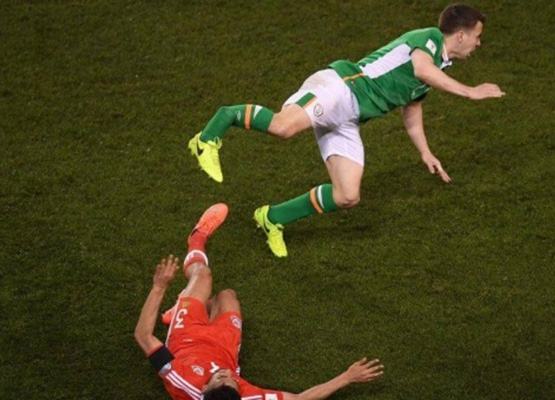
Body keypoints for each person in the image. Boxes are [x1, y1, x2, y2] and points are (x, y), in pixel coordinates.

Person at [189, 4, 505, 258]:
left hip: (348, 118)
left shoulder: (439, 66)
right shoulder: (430, 38)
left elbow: (411, 109)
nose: (479, 43)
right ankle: (210, 135)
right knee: (283, 127)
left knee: (348, 195)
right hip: (339, 89)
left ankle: (272, 218)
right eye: (477, 36)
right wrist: (470, 92)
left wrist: (425, 152)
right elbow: (421, 68)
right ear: (460, 35)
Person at [134, 204, 384, 400]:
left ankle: (197, 238)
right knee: (226, 296)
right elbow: (299, 399)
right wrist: (347, 377)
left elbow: (143, 336)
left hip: (187, 338)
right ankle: (190, 300)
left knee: (203, 275)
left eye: (219, 377)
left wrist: (159, 287)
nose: (226, 373)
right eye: (232, 380)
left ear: (205, 389)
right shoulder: (248, 396)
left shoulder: (180, 378)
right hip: (224, 347)